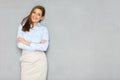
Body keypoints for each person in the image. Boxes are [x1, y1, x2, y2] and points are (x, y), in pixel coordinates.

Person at [16, 5, 49, 80]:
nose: (35, 15)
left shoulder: (44, 29)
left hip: (39, 61)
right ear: (31, 13)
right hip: (26, 60)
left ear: (42, 17)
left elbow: (44, 47)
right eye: (34, 12)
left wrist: (26, 42)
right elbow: (19, 44)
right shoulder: (22, 26)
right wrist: (38, 45)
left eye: (39, 14)